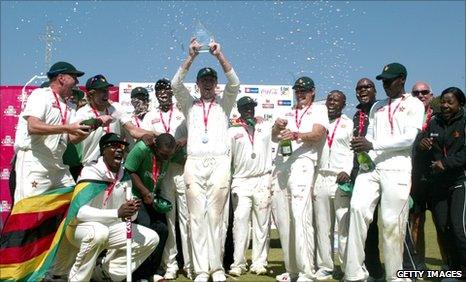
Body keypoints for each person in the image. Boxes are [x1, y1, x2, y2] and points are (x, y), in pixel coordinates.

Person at [346, 63, 424, 281]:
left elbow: (409, 139)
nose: (386, 85)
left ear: (402, 79)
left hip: (397, 167)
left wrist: (373, 145)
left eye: (390, 80)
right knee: (357, 209)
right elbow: (370, 136)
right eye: (383, 81)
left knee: (391, 223)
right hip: (371, 167)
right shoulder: (377, 106)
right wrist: (363, 149)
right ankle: (353, 274)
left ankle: (394, 276)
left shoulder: (415, 104)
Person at [171, 38, 240, 282]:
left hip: (220, 161)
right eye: (204, 80)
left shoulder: (225, 104)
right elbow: (175, 83)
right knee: (197, 216)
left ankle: (217, 267)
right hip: (194, 161)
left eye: (212, 80)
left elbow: (235, 82)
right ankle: (201, 270)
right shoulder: (189, 104)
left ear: (215, 84)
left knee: (216, 217)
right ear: (198, 84)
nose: (208, 83)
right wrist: (191, 56)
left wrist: (219, 56)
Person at [65, 133, 159, 281]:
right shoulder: (90, 171)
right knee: (99, 232)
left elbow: (128, 217)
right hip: (79, 228)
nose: (119, 150)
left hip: (110, 228)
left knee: (151, 238)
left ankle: (104, 274)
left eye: (121, 146)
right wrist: (117, 212)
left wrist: (131, 210)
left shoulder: (124, 176)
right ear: (103, 150)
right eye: (113, 146)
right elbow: (80, 212)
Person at [271, 76, 328, 282]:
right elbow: (273, 136)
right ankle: (292, 269)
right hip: (283, 163)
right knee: (284, 218)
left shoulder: (319, 109)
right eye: (297, 90)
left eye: (304, 90)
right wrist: (277, 127)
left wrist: (295, 135)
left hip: (304, 162)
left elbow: (318, 134)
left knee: (300, 214)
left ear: (313, 91)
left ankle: (307, 272)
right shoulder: (288, 110)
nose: (300, 93)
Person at [13, 61, 90, 202]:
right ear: (61, 78)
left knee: (73, 204)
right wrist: (68, 127)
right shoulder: (41, 95)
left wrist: (88, 129)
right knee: (28, 212)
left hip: (57, 164)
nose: (77, 81)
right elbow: (33, 127)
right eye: (74, 77)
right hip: (35, 160)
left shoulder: (69, 106)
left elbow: (72, 138)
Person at [141, 78, 191, 280]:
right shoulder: (150, 116)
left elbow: (194, 133)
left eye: (166, 90)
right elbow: (145, 138)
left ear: (171, 92)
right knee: (169, 221)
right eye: (159, 90)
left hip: (182, 169)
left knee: (187, 220)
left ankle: (189, 265)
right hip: (163, 173)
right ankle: (170, 264)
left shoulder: (183, 112)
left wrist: (182, 141)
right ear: (156, 94)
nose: (163, 93)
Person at [419, 87, 466, 278]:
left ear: (460, 104)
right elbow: (424, 141)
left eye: (450, 102)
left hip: (459, 181)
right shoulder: (434, 121)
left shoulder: (464, 122)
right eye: (443, 102)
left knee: (458, 227)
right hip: (438, 184)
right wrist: (423, 144)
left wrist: (445, 163)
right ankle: (451, 267)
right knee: (441, 227)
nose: (445, 105)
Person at [227, 96, 273, 277]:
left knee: (262, 224)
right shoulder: (232, 131)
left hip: (263, 179)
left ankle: (259, 262)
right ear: (239, 109)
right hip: (241, 180)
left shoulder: (264, 126)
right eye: (245, 107)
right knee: (240, 222)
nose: (249, 110)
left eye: (251, 107)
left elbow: (277, 133)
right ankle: (238, 263)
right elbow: (227, 159)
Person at [403, 81, 446, 271]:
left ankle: (447, 265)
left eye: (424, 92)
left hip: (437, 179)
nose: (420, 95)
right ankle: (418, 265)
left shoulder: (440, 118)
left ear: (431, 95)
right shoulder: (405, 117)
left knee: (442, 224)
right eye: (415, 93)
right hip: (415, 177)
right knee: (417, 223)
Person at [124, 133, 177, 282]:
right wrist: (144, 191)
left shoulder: (167, 153)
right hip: (135, 196)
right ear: (155, 146)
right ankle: (136, 274)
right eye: (163, 155)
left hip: (151, 198)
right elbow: (129, 170)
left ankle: (149, 272)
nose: (166, 159)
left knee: (162, 230)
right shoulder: (141, 149)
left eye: (169, 155)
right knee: (144, 227)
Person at [313, 90, 353, 280]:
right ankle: (325, 267)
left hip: (340, 179)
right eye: (329, 99)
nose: (332, 102)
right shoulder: (317, 122)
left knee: (343, 226)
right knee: (322, 226)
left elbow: (353, 152)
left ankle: (347, 267)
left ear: (343, 104)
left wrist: (348, 171)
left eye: (337, 100)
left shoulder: (348, 123)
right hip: (320, 178)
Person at [73, 74, 155, 166]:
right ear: (91, 94)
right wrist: (97, 122)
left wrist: (158, 135)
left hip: (116, 167)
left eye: (106, 90)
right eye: (102, 91)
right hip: (92, 166)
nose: (106, 94)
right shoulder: (82, 113)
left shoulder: (116, 108)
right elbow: (74, 139)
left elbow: (133, 130)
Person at [350, 78, 385, 281]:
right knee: (368, 226)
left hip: (385, 171)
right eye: (359, 88)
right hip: (363, 173)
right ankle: (374, 270)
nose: (363, 90)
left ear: (374, 90)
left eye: (367, 87)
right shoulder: (356, 115)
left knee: (392, 222)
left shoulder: (382, 109)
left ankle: (405, 270)